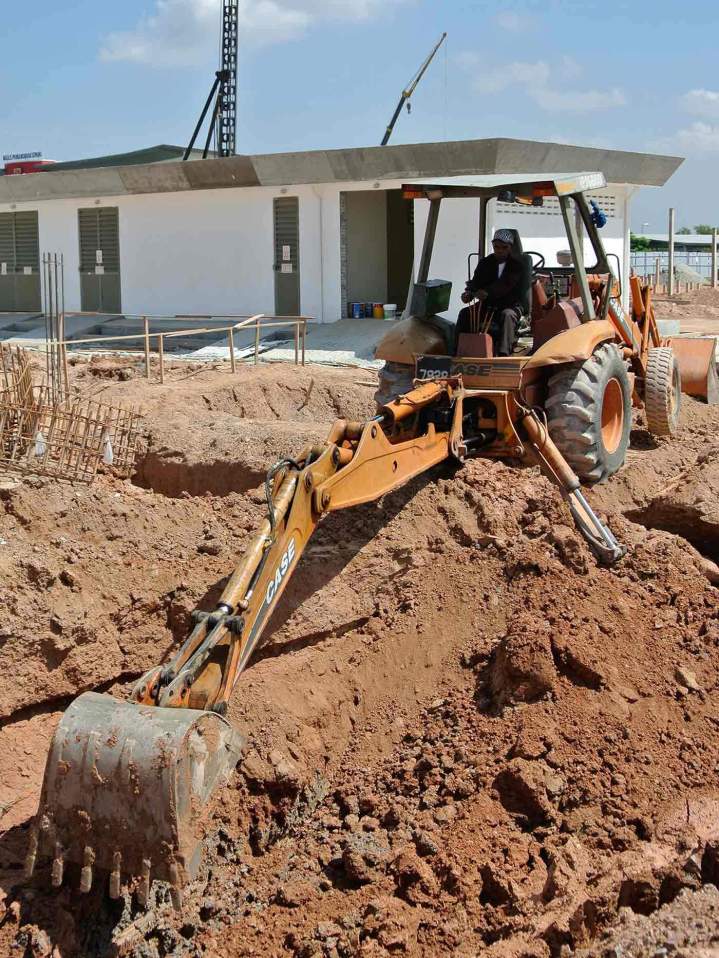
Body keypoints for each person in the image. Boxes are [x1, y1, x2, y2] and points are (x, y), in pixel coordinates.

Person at [456, 229, 525, 356]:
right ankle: (457, 352)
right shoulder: (485, 263)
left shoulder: (516, 266)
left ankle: (504, 354)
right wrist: (468, 294)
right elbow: (475, 282)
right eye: (496, 247)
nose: (499, 250)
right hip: (487, 305)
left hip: (510, 305)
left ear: (510, 247)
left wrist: (487, 292)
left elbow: (505, 285)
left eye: (504, 247)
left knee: (507, 315)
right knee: (464, 313)